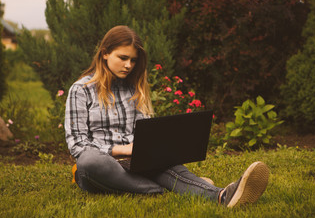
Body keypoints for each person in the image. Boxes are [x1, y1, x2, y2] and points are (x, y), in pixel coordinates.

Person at [65, 25, 269, 207]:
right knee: (90, 161)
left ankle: (223, 196)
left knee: (164, 163)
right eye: (123, 58)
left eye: (133, 60)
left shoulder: (135, 89)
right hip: (102, 165)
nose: (129, 65)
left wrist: (150, 148)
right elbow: (77, 144)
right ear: (104, 54)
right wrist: (120, 149)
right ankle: (171, 187)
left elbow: (146, 133)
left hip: (136, 162)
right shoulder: (81, 90)